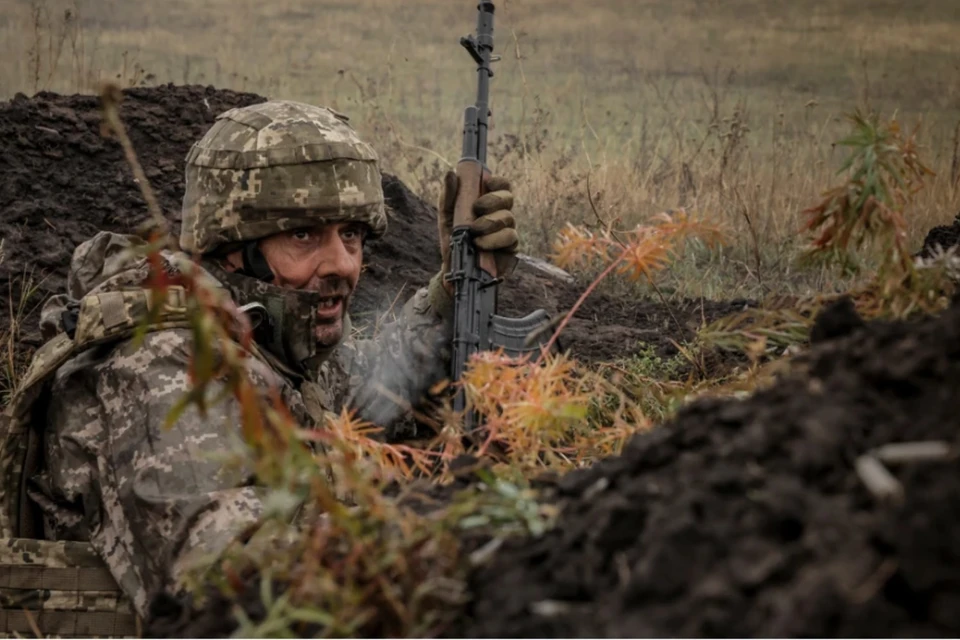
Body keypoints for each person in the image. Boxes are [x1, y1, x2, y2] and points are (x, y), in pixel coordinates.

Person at [0, 100, 519, 621]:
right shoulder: (168, 371)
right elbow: (237, 590)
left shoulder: (261, 335)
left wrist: (454, 291)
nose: (341, 264)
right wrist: (437, 543)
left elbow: (365, 394)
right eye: (304, 236)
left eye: (352, 235)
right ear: (232, 248)